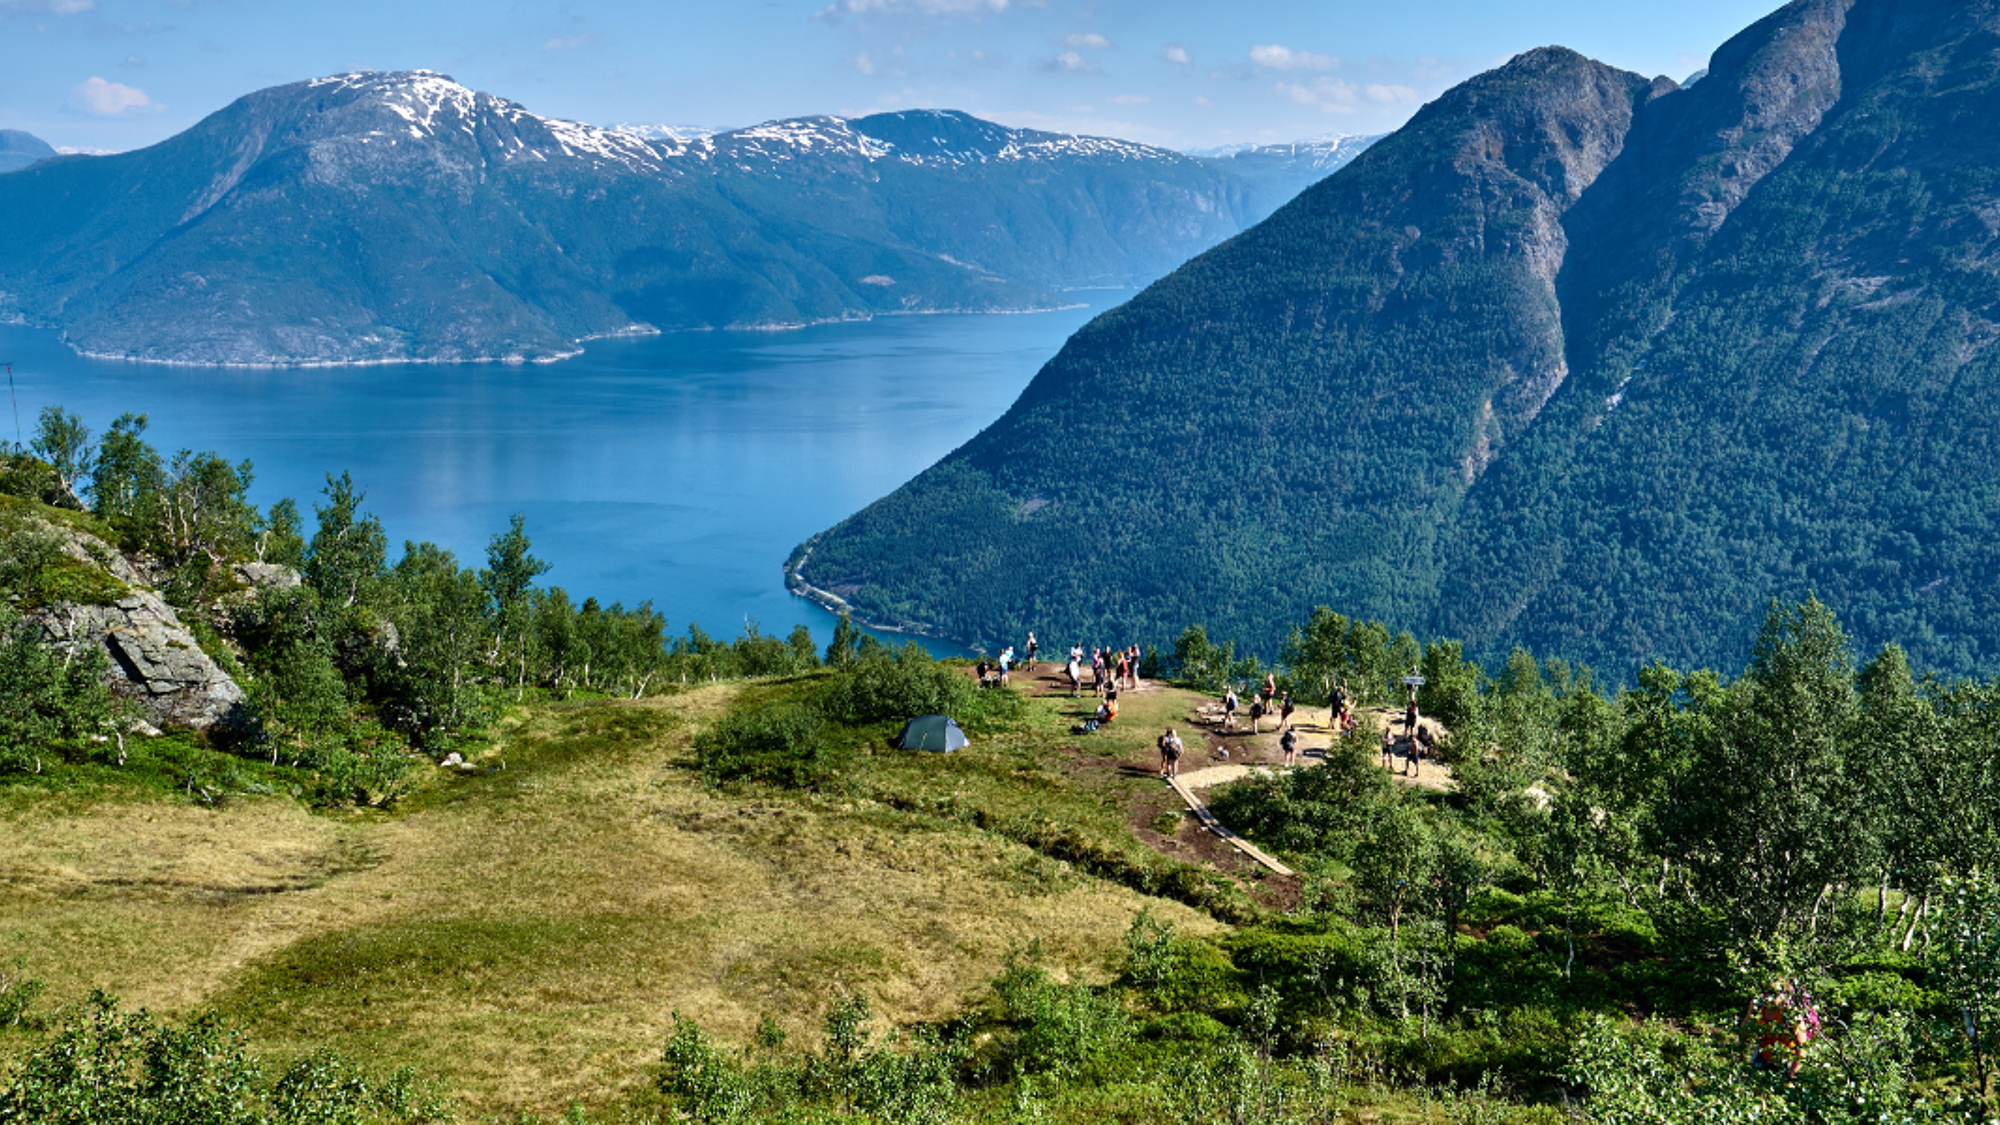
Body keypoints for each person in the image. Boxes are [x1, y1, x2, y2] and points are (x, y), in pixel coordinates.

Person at [1748, 980, 1819, 1078]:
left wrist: (1792, 1074)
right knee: (1755, 1088)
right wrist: (1738, 1048)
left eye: (1774, 993)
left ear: (1785, 996)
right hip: (1763, 1057)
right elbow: (1746, 1026)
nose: (1768, 997)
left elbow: (1801, 1048)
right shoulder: (1758, 1006)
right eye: (1766, 992)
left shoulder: (1791, 1016)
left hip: (1787, 1063)